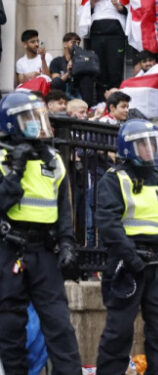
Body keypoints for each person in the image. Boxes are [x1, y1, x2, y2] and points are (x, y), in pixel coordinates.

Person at [95, 119, 158, 373]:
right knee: (118, 331)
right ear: (129, 148)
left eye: (153, 143)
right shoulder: (114, 179)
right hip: (127, 264)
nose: (150, 149)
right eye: (143, 144)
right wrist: (130, 256)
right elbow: (108, 222)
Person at [0, 92, 82, 373]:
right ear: (12, 123)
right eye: (29, 118)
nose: (36, 123)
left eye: (39, 117)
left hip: (44, 252)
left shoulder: (54, 159)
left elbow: (64, 210)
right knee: (10, 327)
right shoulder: (1, 157)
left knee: (59, 325)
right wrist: (16, 170)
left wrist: (68, 244)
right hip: (9, 249)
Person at [88, 0, 128, 100]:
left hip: (116, 34)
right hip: (96, 33)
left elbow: (131, 10)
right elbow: (84, 11)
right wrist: (92, 2)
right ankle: (100, 102)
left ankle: (116, 101)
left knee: (115, 70)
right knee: (99, 71)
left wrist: (119, 7)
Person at [49, 32, 96, 106]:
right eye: (73, 42)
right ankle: (59, 104)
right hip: (64, 90)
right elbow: (56, 81)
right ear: (65, 44)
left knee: (87, 78)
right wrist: (68, 72)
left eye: (78, 43)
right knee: (56, 81)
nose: (76, 45)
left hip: (79, 91)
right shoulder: (57, 61)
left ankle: (88, 107)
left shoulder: (82, 60)